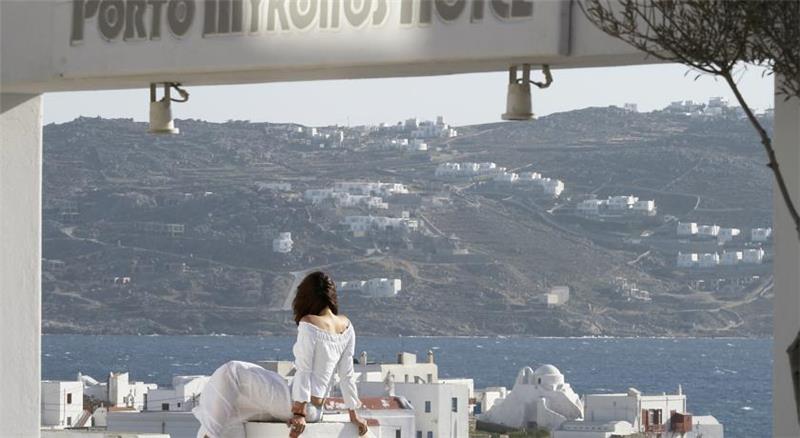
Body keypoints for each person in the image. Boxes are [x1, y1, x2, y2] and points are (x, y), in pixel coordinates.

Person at [193, 271, 369, 438]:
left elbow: (304, 370)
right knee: (233, 403)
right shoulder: (346, 326)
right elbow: (347, 375)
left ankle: (210, 435)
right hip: (316, 409)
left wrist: (299, 413)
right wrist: (354, 414)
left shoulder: (309, 323)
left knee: (231, 371)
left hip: (299, 405)